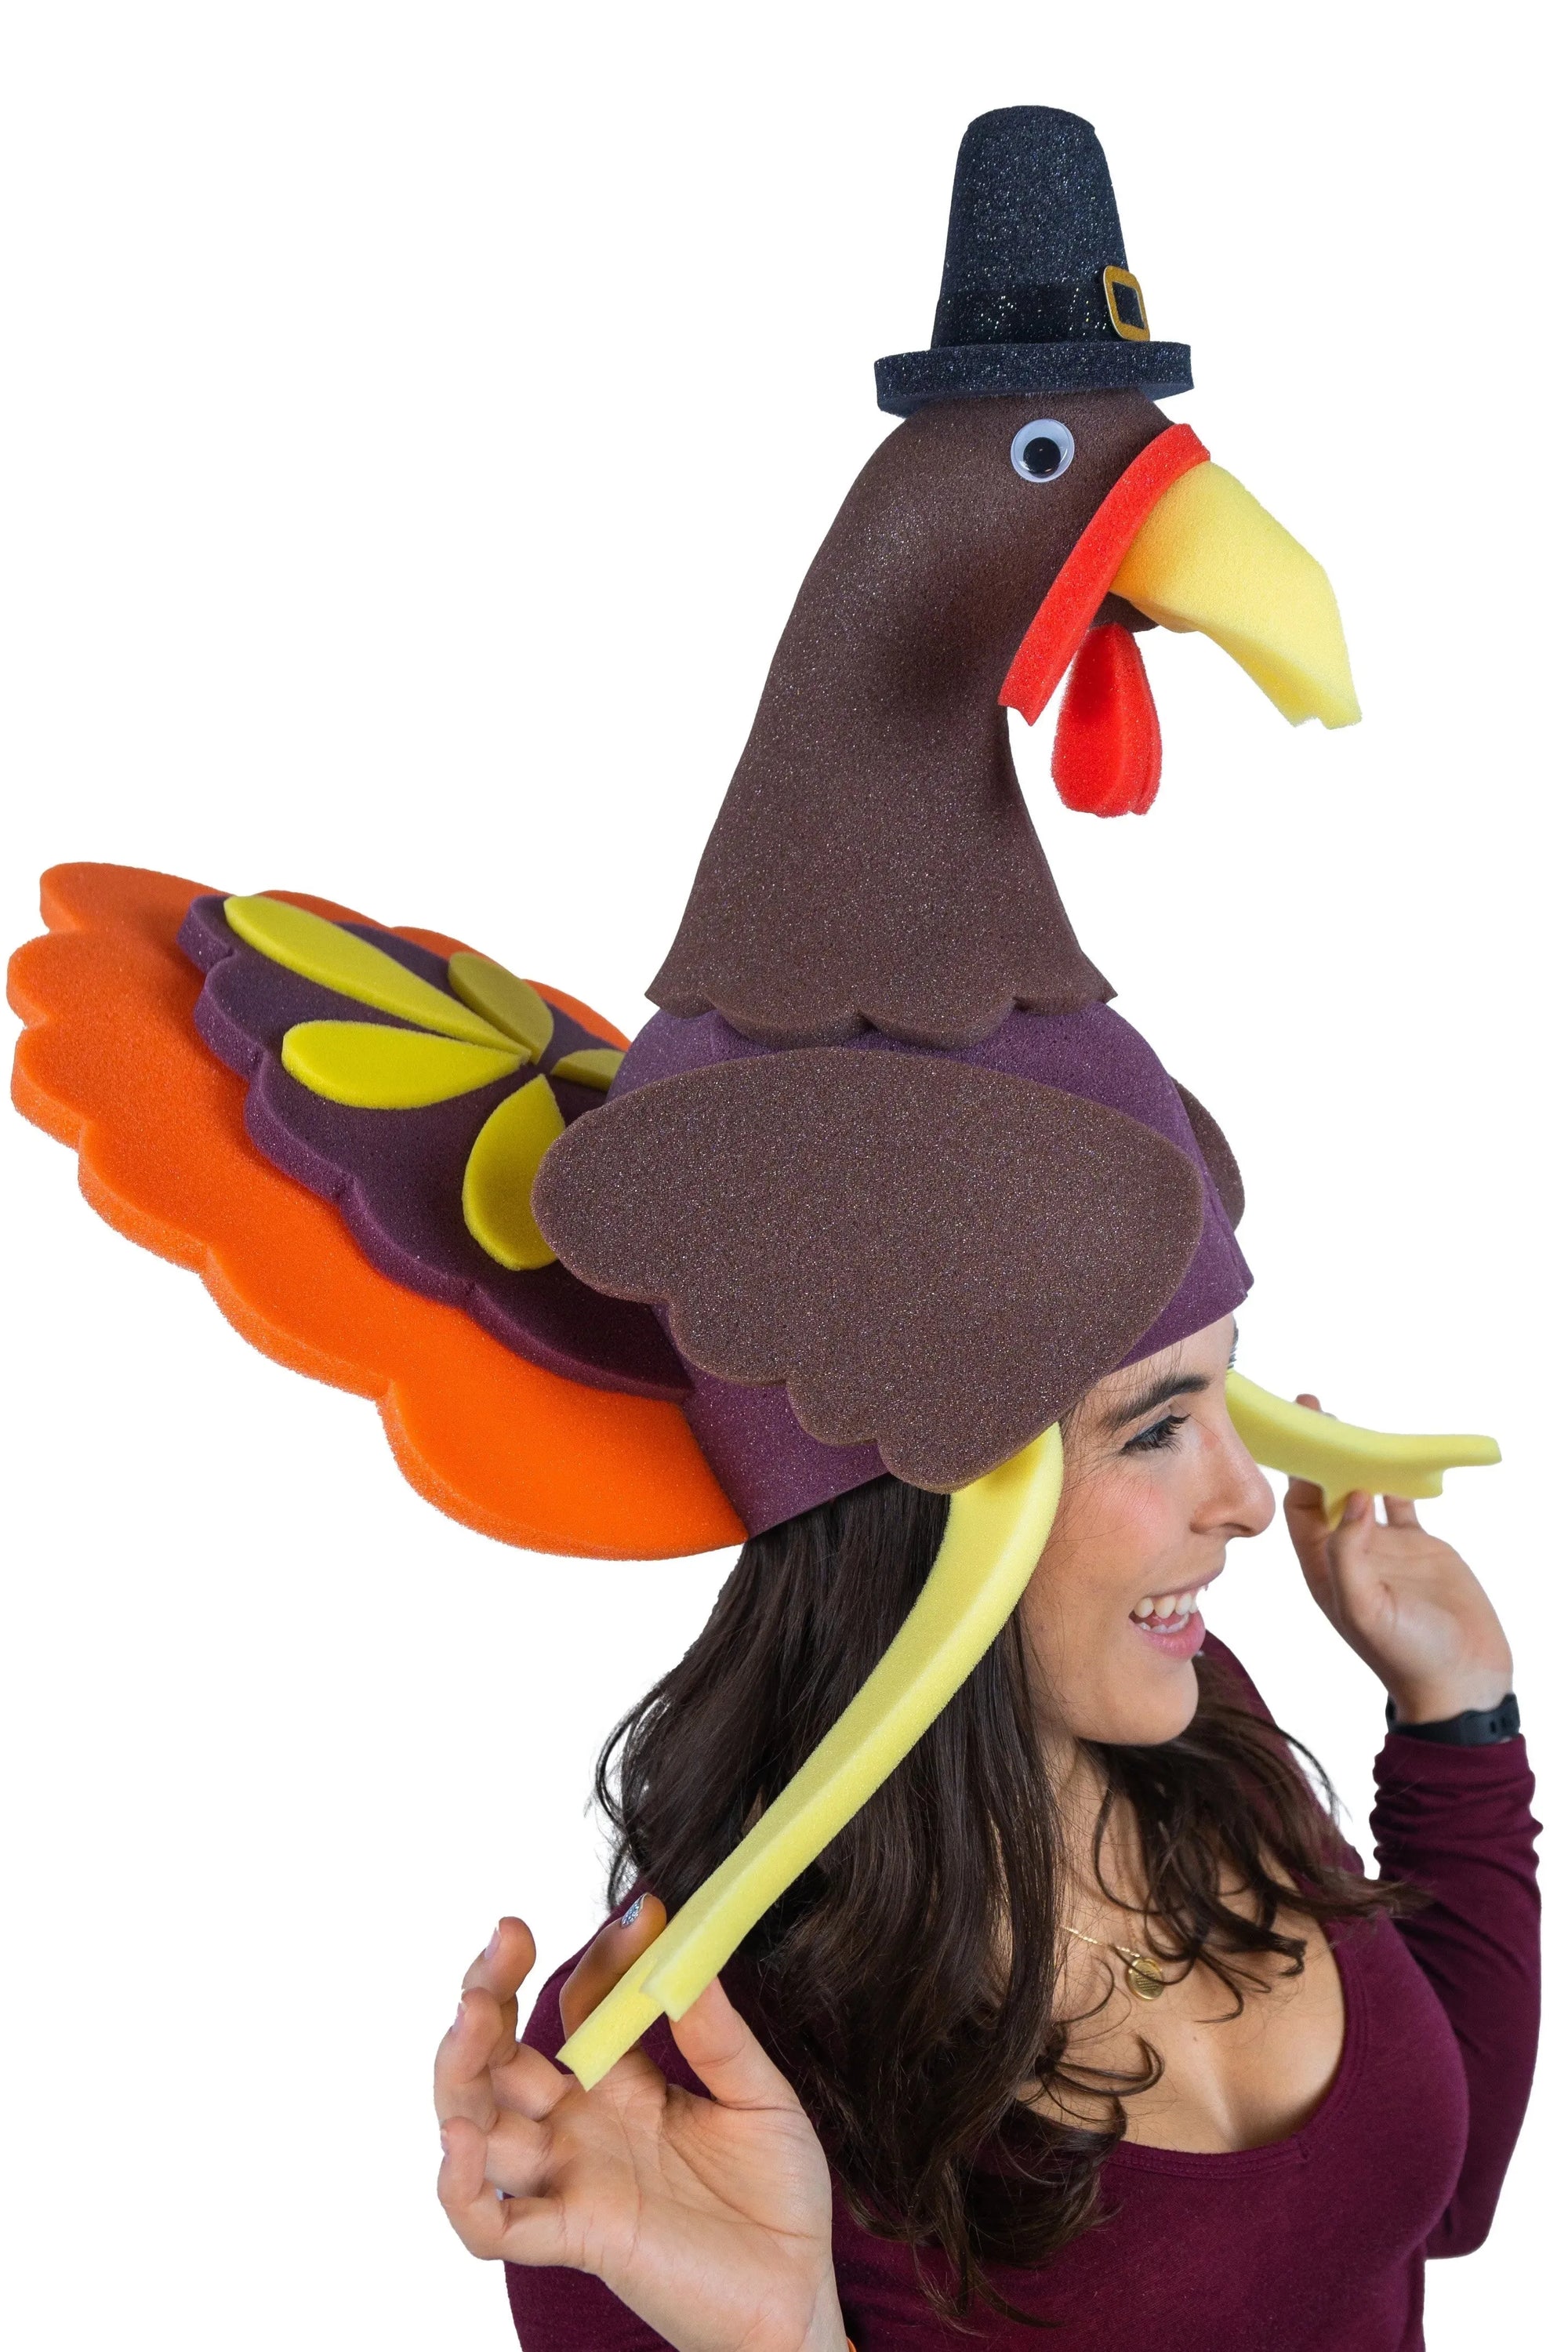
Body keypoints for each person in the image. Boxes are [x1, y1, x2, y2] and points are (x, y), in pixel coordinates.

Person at [433, 1313, 1538, 2350]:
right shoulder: (663, 2073)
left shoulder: (1204, 1730)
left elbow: (1438, 2201)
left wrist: (1459, 1713)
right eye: (1155, 1428)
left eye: (1224, 1391)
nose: (1249, 1497)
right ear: (930, 1500)